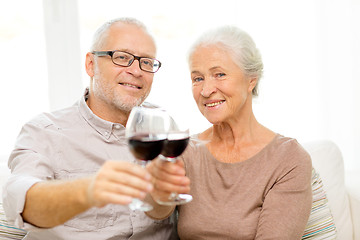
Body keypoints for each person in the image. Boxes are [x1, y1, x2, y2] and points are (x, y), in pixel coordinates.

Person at [2, 17, 189, 240]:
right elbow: (22, 201)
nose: (136, 71)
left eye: (146, 62)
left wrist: (158, 195)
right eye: (122, 57)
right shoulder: (44, 131)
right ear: (91, 64)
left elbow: (162, 210)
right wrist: (87, 191)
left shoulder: (162, 124)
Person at [149, 26, 313, 239]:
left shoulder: (288, 159)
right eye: (198, 78)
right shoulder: (186, 151)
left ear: (251, 80)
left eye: (220, 74)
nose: (206, 91)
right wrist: (158, 188)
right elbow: (158, 213)